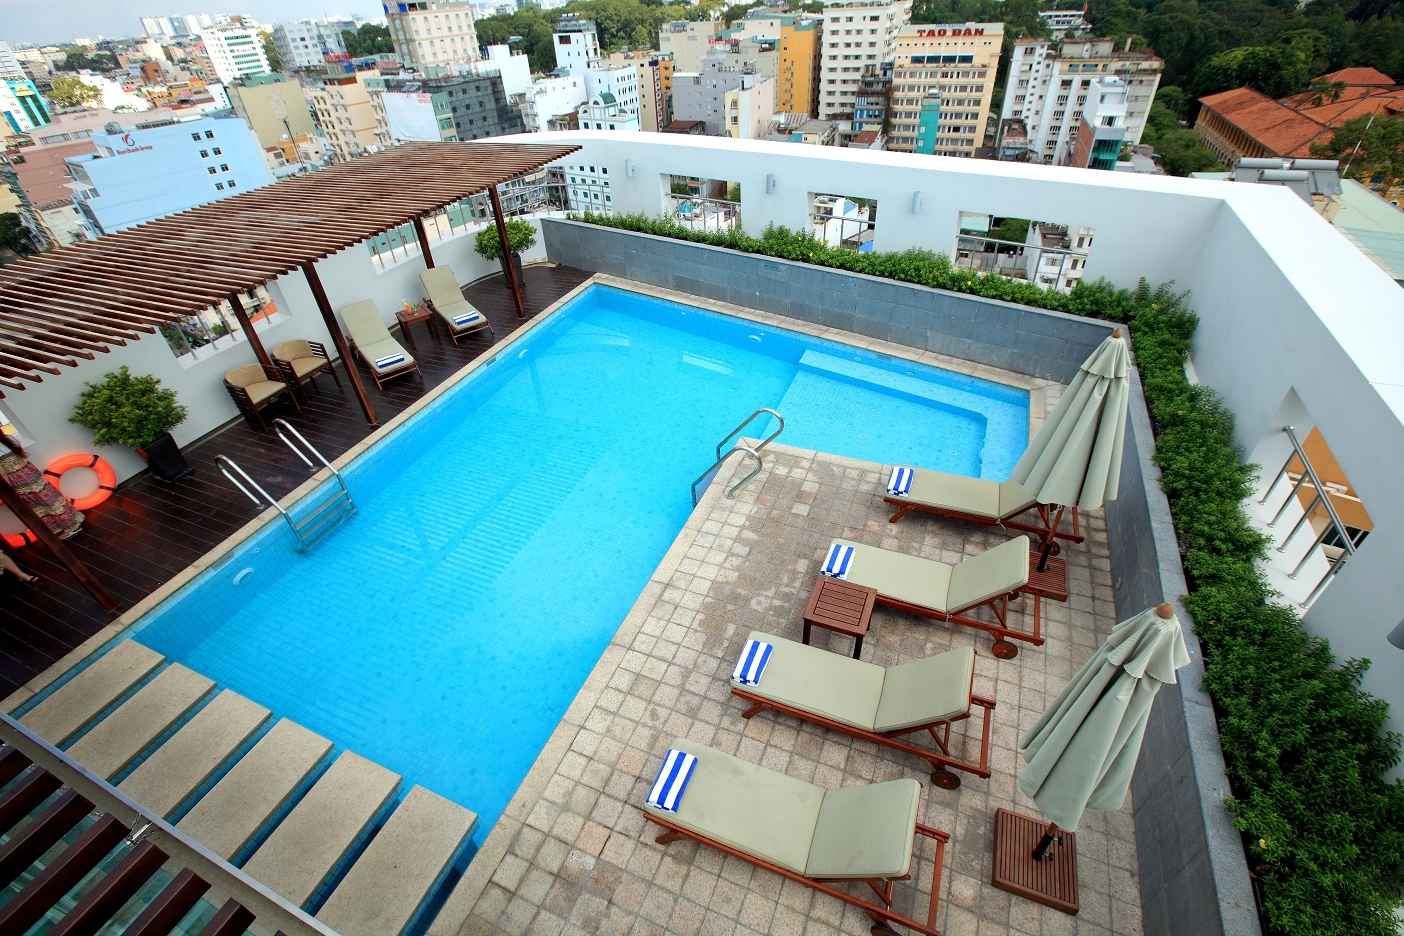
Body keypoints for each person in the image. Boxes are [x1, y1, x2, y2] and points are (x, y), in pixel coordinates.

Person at [0, 432, 83, 539]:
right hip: (30, 472)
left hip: (18, 480)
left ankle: (71, 528)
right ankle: (74, 520)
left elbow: (2, 473)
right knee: (51, 498)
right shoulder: (10, 439)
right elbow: (23, 455)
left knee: (40, 505)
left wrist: (9, 489)